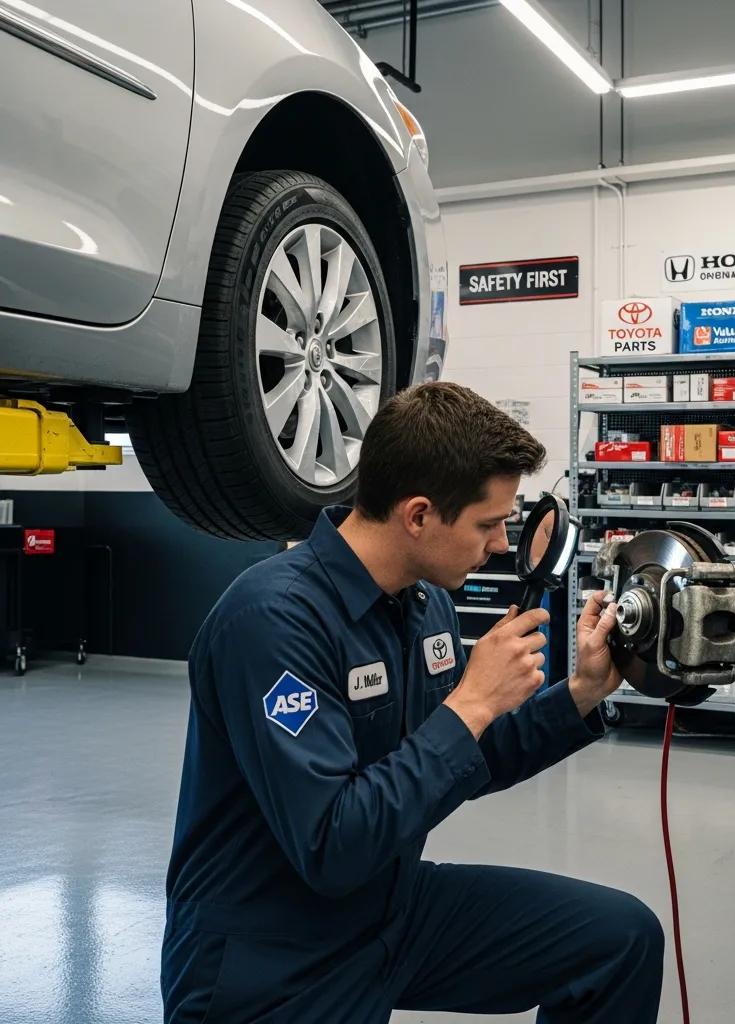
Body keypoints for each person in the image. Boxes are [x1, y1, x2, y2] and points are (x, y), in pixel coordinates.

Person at [161, 381, 664, 1023]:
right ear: (419, 514)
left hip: (389, 910)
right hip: (272, 951)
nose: (503, 545)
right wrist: (471, 704)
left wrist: (580, 693)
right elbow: (332, 845)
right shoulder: (272, 621)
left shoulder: (427, 608)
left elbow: (461, 762)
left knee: (620, 940)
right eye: (489, 523)